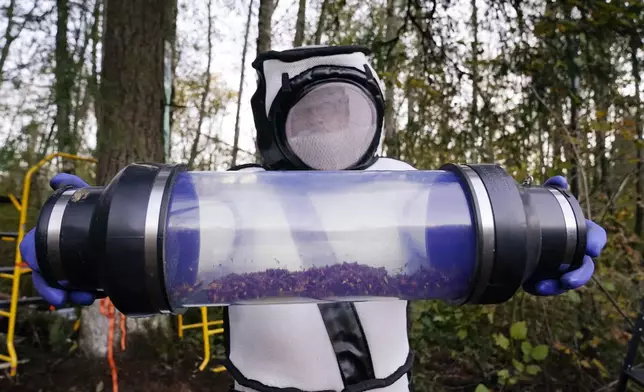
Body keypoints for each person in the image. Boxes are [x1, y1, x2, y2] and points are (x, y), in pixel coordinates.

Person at [20, 45, 607, 392]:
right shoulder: (226, 198)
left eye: (342, 111)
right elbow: (152, 251)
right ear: (275, 121)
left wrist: (535, 237)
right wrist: (92, 241)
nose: (329, 131)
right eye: (313, 114)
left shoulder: (412, 189)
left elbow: (481, 241)